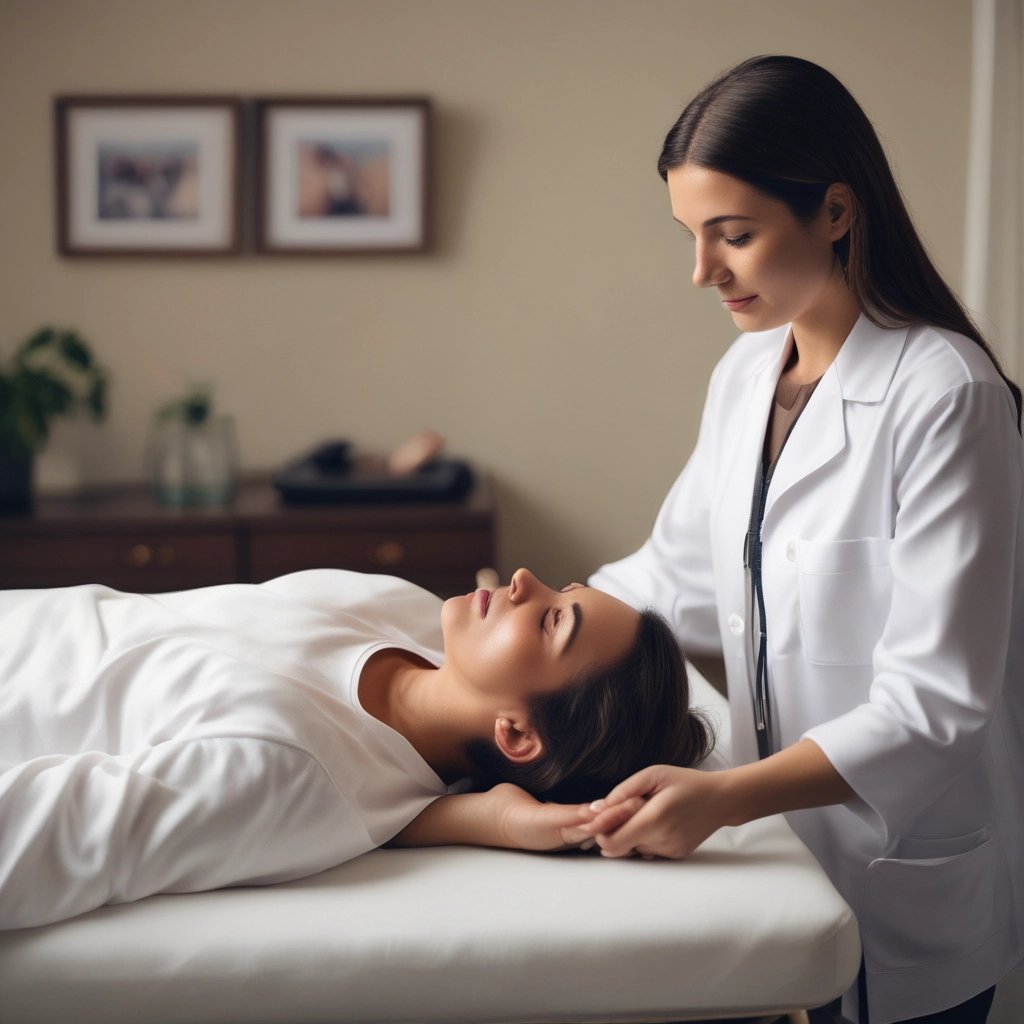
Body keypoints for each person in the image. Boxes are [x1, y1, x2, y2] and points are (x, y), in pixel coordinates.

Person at [574, 56, 1022, 1024]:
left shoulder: (947, 395)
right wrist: (529, 622)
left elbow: (936, 701)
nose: (703, 271)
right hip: (784, 869)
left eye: (733, 235)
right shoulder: (744, 374)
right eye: (691, 236)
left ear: (833, 210)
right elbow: (675, 576)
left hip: (906, 868)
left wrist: (726, 796)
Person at [0, 566, 711, 931]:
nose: (523, 580)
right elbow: (393, 789)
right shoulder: (399, 608)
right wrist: (475, 816)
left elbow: (26, 845)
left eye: (554, 619)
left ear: (518, 735)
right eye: (563, 585)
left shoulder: (283, 769)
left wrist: (496, 820)